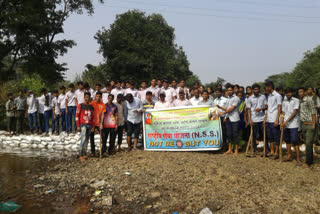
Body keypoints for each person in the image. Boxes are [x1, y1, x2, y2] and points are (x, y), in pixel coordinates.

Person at [218, 84, 241, 155]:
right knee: (229, 134)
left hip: (235, 118)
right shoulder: (228, 99)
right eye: (228, 90)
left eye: (231, 90)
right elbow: (227, 108)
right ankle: (230, 149)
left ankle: (236, 150)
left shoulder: (236, 98)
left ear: (233, 90)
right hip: (228, 118)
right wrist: (220, 107)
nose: (229, 91)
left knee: (235, 134)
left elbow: (232, 108)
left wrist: (223, 113)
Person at [281, 88, 301, 164]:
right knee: (287, 140)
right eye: (286, 93)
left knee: (295, 140)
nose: (288, 94)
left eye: (289, 93)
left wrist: (286, 121)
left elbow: (294, 112)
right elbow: (283, 112)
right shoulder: (284, 101)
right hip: (285, 124)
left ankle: (298, 158)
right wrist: (282, 120)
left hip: (293, 123)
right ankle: (289, 156)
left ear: (292, 93)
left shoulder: (296, 100)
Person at [298, 87, 316, 167]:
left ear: (305, 92)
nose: (300, 93)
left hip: (309, 124)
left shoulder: (309, 100)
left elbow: (313, 112)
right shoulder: (300, 101)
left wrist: (313, 124)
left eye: (301, 91)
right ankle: (308, 159)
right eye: (299, 92)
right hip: (303, 124)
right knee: (306, 142)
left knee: (309, 143)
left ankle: (308, 162)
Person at [264, 80, 282, 159]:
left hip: (274, 118)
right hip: (268, 119)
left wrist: (277, 120)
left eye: (266, 87)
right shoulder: (269, 96)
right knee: (270, 136)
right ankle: (271, 151)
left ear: (270, 87)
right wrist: (265, 119)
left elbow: (279, 108)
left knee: (276, 136)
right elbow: (268, 108)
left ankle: (276, 152)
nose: (266, 89)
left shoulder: (277, 95)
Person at [247, 84, 267, 153]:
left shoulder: (263, 96)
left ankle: (266, 149)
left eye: (257, 89)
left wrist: (261, 108)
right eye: (255, 89)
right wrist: (249, 120)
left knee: (264, 134)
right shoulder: (249, 98)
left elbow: (266, 106)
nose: (256, 90)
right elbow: (248, 110)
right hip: (254, 119)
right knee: (254, 135)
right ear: (252, 90)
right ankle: (254, 149)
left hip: (262, 118)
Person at [76, 92, 95, 161]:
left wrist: (93, 127)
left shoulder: (91, 107)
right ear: (84, 97)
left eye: (88, 97)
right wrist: (78, 126)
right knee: (83, 139)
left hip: (89, 125)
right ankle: (80, 154)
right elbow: (77, 116)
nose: (87, 98)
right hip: (83, 125)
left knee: (87, 139)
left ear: (90, 98)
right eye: (86, 97)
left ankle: (84, 153)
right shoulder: (80, 106)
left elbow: (93, 118)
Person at [90, 91, 106, 156]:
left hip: (99, 123)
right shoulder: (92, 103)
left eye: (99, 96)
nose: (98, 97)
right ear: (95, 96)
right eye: (97, 96)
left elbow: (102, 115)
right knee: (91, 138)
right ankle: (93, 152)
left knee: (104, 137)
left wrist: (101, 124)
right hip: (92, 123)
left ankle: (103, 151)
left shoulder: (103, 105)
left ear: (101, 97)